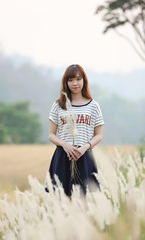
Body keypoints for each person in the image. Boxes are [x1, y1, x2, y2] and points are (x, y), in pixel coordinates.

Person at [45, 64, 105, 198]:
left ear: (84, 80)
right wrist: (65, 145)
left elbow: (99, 135)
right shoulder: (58, 105)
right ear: (65, 82)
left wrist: (85, 147)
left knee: (82, 204)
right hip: (63, 157)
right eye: (70, 80)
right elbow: (51, 135)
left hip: (84, 157)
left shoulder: (93, 106)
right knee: (62, 204)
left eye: (78, 79)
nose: (75, 83)